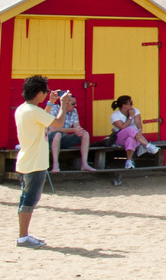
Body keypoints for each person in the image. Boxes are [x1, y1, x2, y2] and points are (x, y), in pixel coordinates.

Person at [13, 75, 56, 248]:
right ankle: (23, 237)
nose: (46, 94)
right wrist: (62, 104)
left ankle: (23, 235)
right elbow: (57, 122)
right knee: (29, 201)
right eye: (45, 92)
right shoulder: (33, 110)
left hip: (26, 161)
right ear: (39, 93)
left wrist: (51, 103)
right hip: (35, 163)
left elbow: (42, 120)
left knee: (25, 199)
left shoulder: (24, 109)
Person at [49, 91, 102, 172]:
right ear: (66, 103)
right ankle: (55, 165)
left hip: (63, 140)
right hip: (49, 140)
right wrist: (73, 130)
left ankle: (84, 164)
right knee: (57, 134)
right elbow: (52, 129)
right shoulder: (54, 109)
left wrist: (78, 130)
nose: (75, 106)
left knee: (85, 134)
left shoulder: (74, 111)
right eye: (73, 104)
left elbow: (77, 126)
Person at [109, 96, 159, 168]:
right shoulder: (115, 116)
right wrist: (130, 117)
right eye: (130, 103)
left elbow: (138, 123)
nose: (132, 104)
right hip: (120, 138)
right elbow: (123, 127)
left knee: (130, 139)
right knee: (129, 129)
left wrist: (140, 130)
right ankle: (148, 145)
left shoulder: (136, 111)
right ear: (124, 105)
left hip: (136, 137)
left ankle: (129, 161)